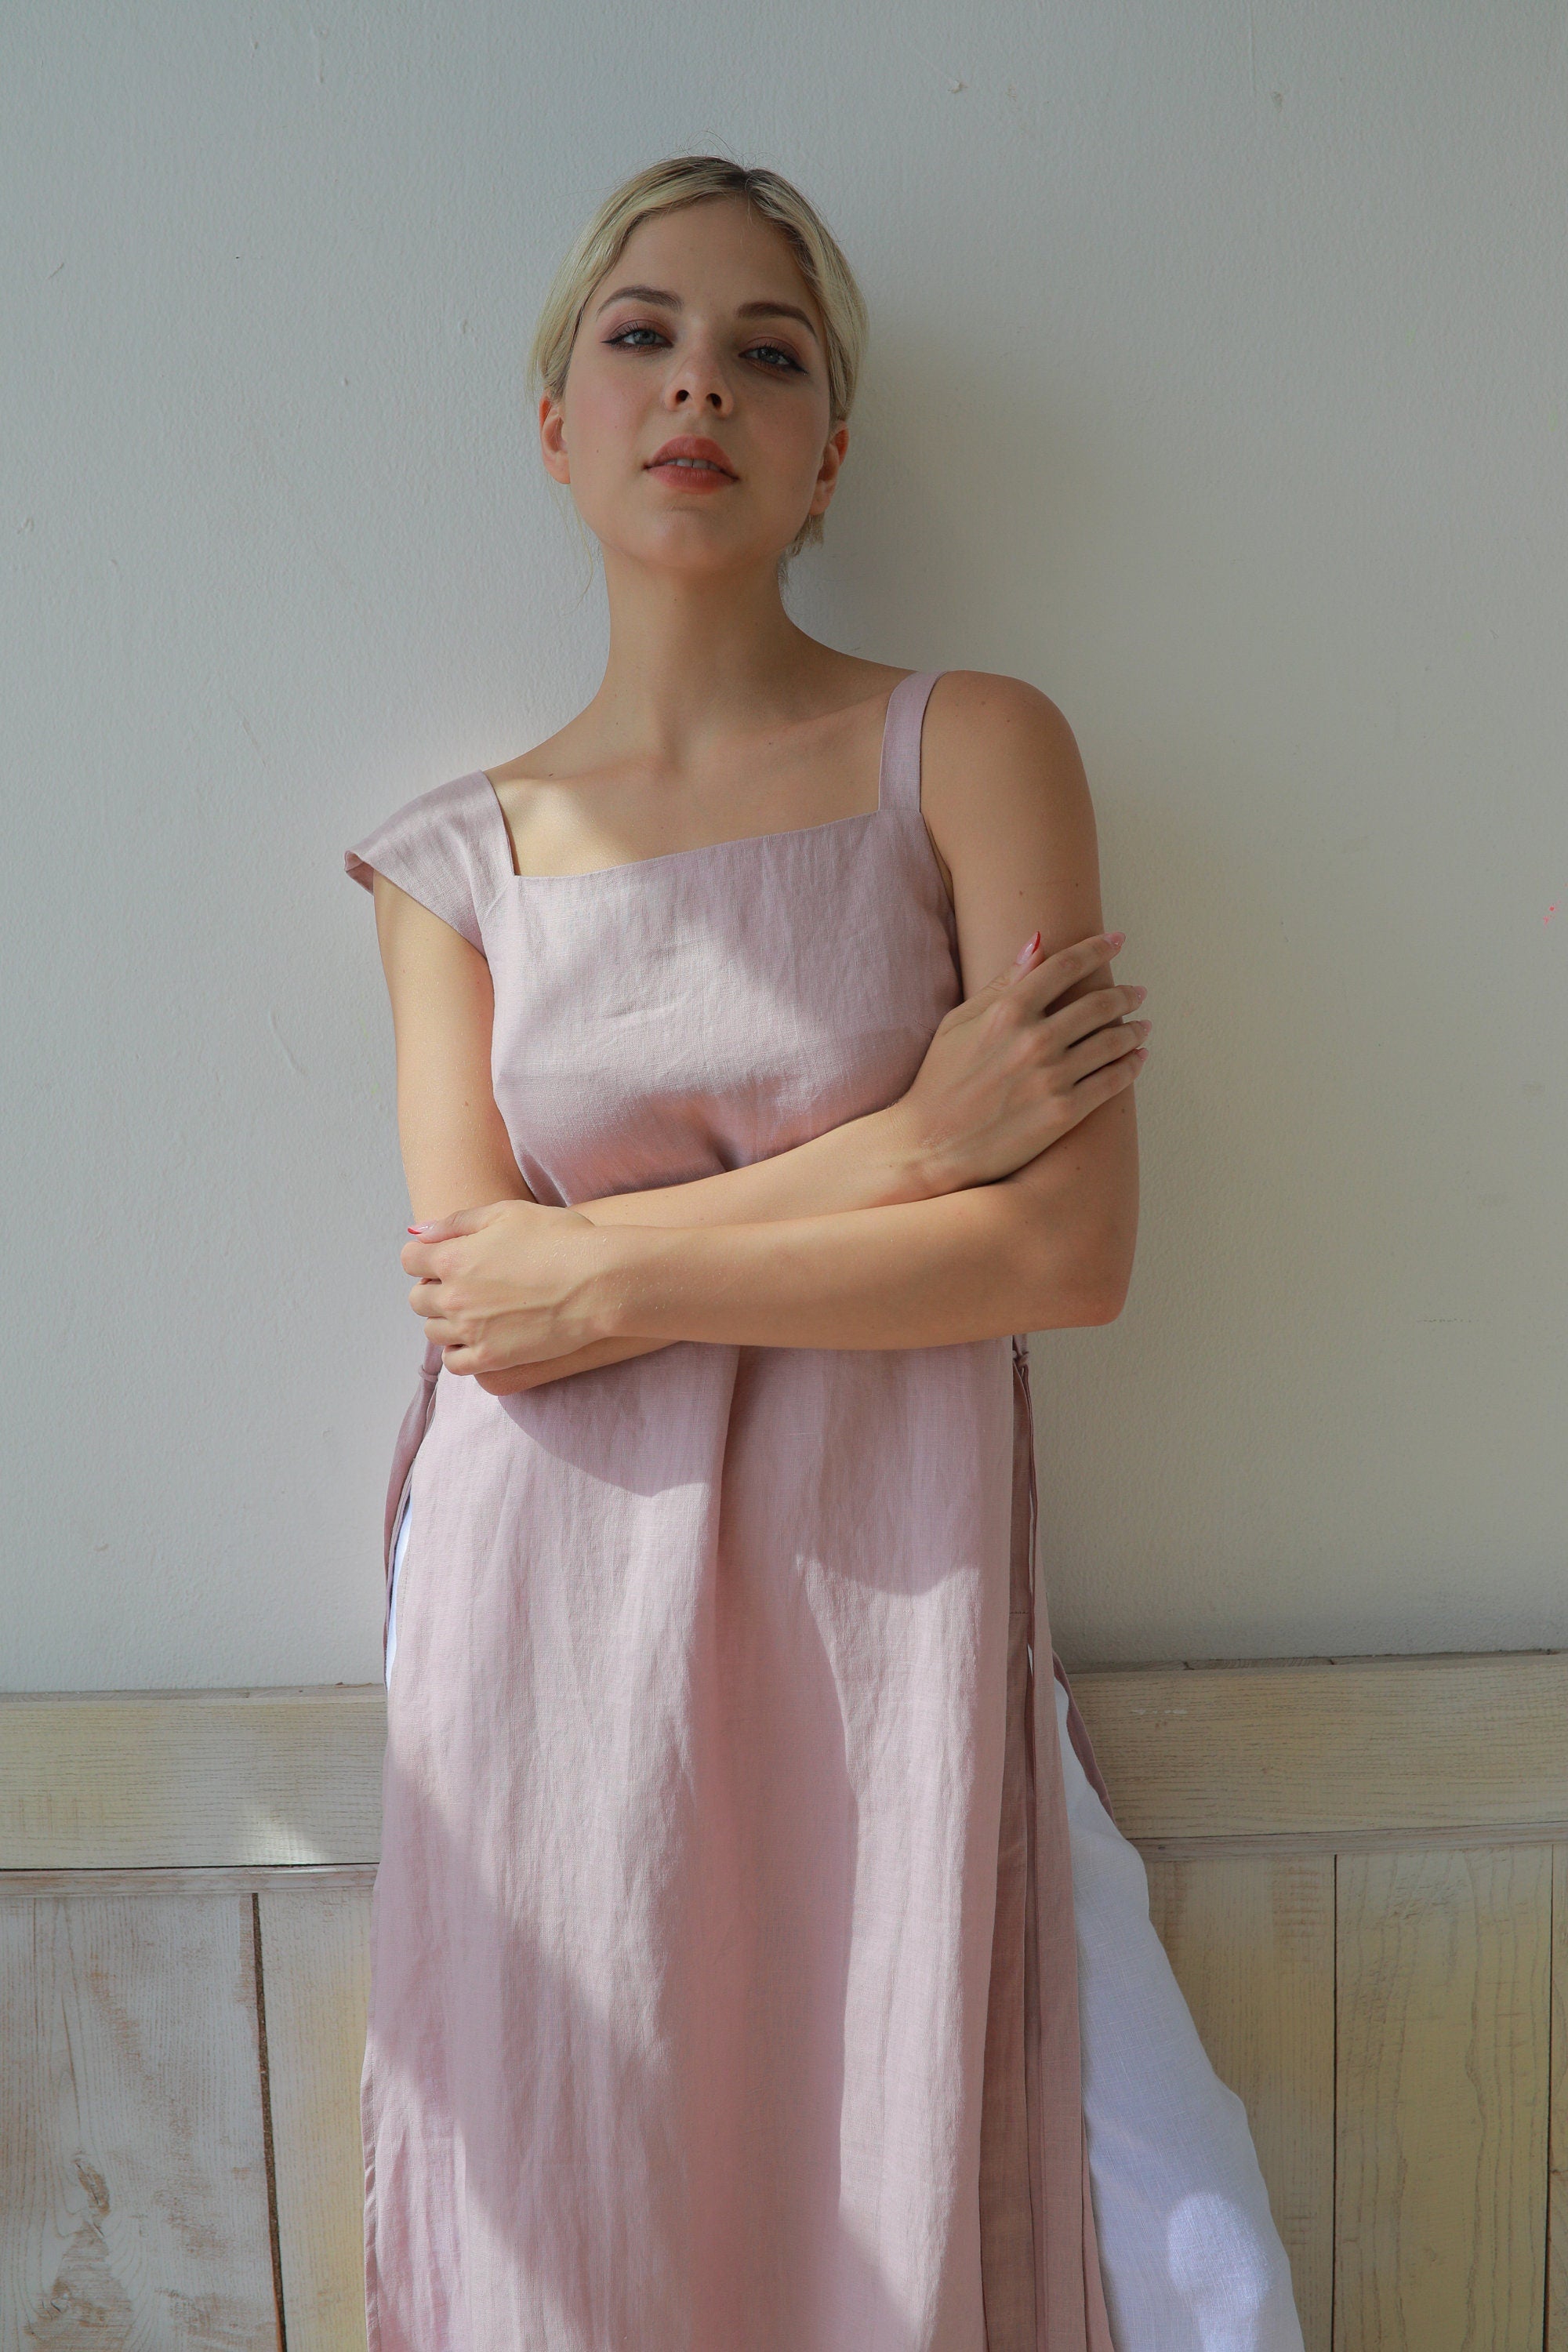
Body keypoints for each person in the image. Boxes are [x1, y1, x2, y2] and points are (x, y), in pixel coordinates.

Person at [343, 154, 1303, 2352]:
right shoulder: (447, 869)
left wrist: (612, 1274)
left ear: (828, 456)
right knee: (586, 2245)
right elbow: (488, 1303)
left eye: (766, 353)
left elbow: (1063, 1251)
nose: (701, 383)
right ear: (559, 423)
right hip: (544, 1640)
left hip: (905, 1618)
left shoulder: (970, 746)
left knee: (1180, 2267)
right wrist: (910, 1147)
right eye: (644, 335)